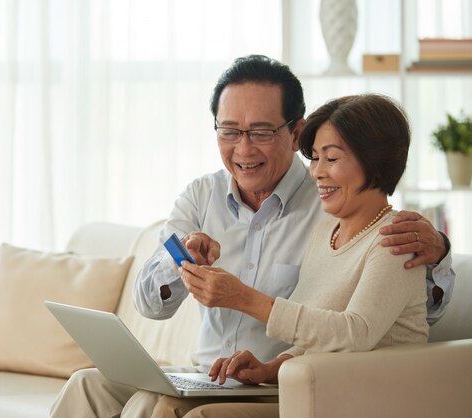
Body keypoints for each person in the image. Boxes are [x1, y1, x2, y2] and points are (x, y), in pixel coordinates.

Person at [49, 55, 454, 418]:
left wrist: (436, 254)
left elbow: (389, 320)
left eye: (260, 132)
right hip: (207, 371)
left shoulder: (331, 206)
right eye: (229, 131)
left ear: (296, 134)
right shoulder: (202, 196)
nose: (243, 148)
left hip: (280, 387)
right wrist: (181, 260)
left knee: (150, 405)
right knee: (86, 383)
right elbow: (149, 305)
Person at [151, 93, 430, 418]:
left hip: (368, 402)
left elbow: (354, 334)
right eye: (314, 158)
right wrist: (270, 369)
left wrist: (242, 298)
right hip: (316, 392)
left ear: (375, 161)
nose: (316, 172)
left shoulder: (398, 238)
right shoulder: (326, 231)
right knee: (163, 405)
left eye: (331, 158)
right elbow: (316, 336)